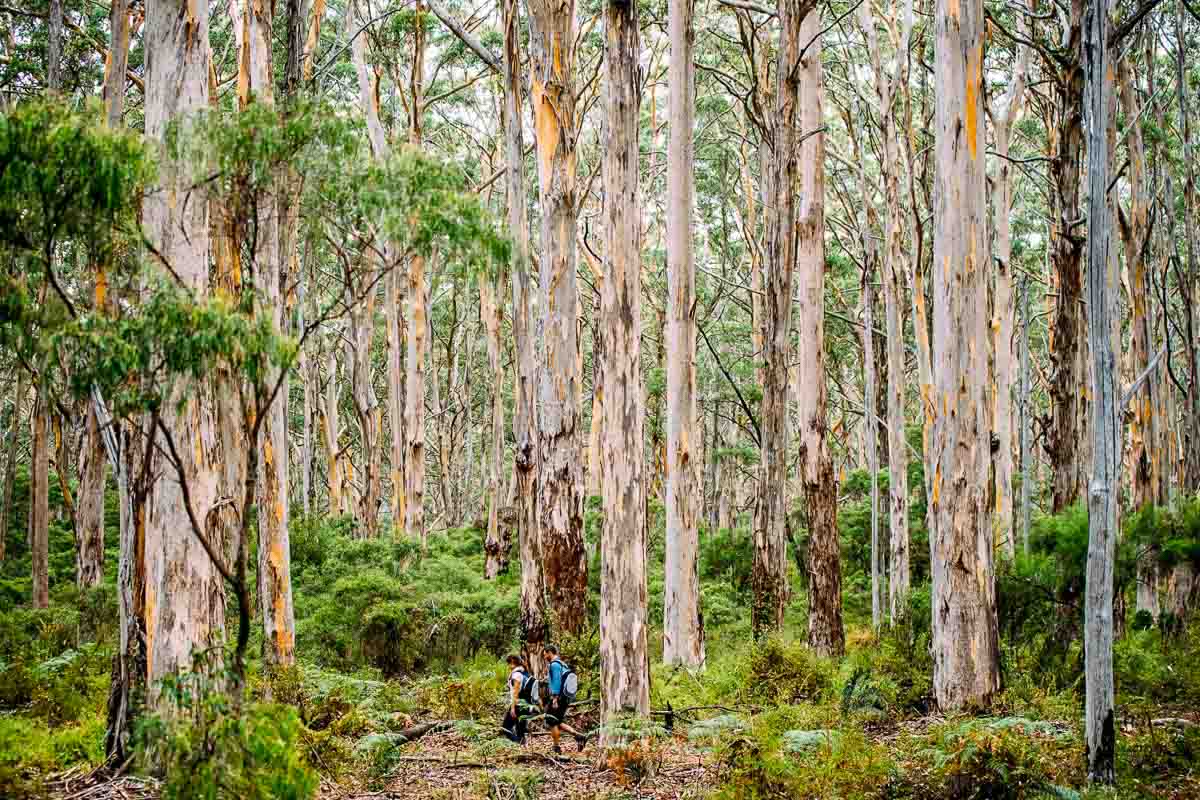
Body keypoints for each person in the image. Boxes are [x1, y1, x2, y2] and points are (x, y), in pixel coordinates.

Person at [542, 645, 586, 753]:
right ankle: (579, 737)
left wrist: (555, 698)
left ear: (549, 652)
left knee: (551, 720)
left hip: (559, 697)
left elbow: (557, 681)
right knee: (558, 720)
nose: (544, 657)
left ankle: (556, 747)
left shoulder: (554, 665)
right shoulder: (562, 664)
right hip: (565, 697)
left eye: (544, 654)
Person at [500, 654, 531, 744]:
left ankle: (518, 743)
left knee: (505, 728)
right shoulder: (524, 673)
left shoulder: (516, 675)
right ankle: (523, 750)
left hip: (518, 704)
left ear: (513, 663)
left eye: (508, 663)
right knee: (520, 731)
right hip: (526, 704)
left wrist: (513, 708)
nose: (508, 666)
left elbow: (515, 693)